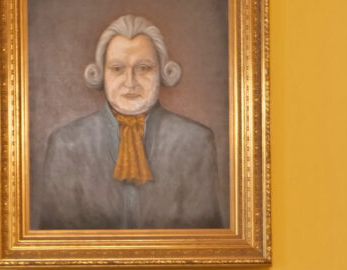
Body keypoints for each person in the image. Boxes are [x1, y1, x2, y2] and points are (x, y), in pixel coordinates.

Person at [37, 14, 224, 230]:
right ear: (101, 73)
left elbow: (205, 239)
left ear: (163, 71)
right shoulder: (66, 144)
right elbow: (56, 243)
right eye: (117, 69)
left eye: (144, 68)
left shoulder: (195, 142)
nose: (130, 82)